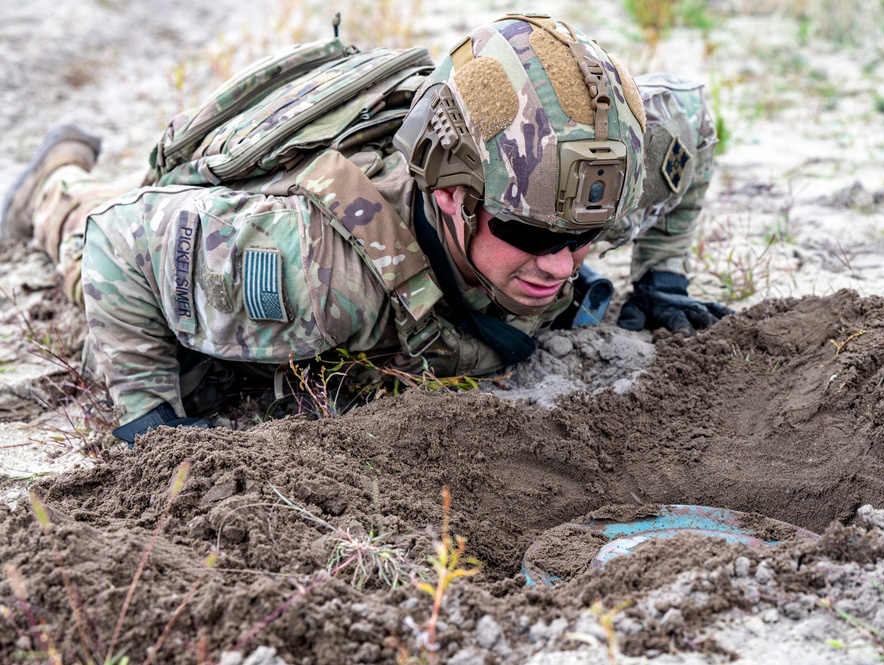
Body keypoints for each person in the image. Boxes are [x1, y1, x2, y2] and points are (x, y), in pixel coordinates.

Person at [1, 14, 728, 444]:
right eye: (532, 236)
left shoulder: (603, 168)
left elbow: (693, 124)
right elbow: (118, 241)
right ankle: (54, 175)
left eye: (587, 238)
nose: (564, 264)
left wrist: (662, 276)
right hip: (202, 224)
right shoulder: (318, 271)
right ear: (452, 197)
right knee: (79, 228)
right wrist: (144, 417)